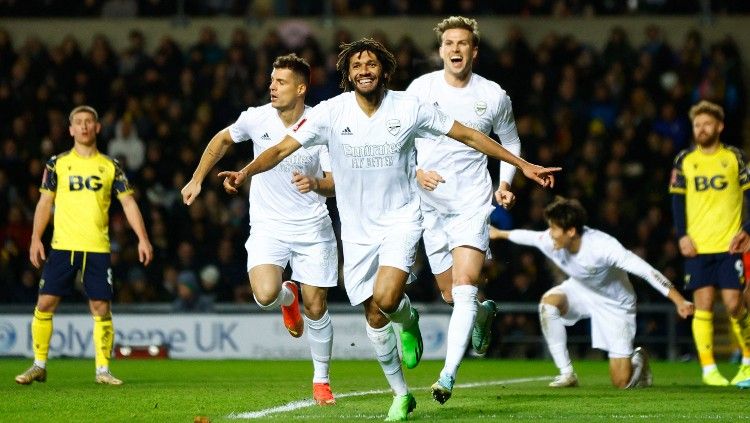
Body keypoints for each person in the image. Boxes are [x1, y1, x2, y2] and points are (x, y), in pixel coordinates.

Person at [217, 38, 559, 421]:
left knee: (385, 295)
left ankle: (407, 321)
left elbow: (467, 135)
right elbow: (280, 149)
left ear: (384, 71)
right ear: (347, 74)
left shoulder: (410, 107)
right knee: (376, 316)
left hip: (400, 219)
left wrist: (522, 165)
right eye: (357, 65)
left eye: (371, 65)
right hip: (357, 230)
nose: (364, 70)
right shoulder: (331, 112)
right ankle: (401, 393)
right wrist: (245, 171)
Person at [181, 54, 338, 405]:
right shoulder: (256, 118)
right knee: (266, 295)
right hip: (269, 227)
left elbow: (334, 183)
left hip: (312, 227)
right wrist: (197, 179)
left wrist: (315, 184)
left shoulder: (320, 123)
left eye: (281, 82)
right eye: (271, 80)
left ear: (300, 88)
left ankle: (321, 381)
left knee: (317, 307)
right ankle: (287, 298)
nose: (272, 86)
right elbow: (221, 140)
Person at [405, 16, 520, 404]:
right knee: (452, 295)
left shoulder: (494, 95)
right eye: (449, 43)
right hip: (431, 207)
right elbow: (398, 140)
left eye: (463, 43)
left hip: (472, 202)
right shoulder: (420, 90)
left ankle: (447, 376)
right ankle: (484, 314)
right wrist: (416, 172)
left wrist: (505, 184)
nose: (455, 49)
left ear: (474, 50)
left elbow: (511, 142)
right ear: (441, 51)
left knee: (465, 288)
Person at [15, 105, 154, 386]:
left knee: (101, 307)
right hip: (63, 245)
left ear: (97, 127)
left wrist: (143, 238)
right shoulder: (57, 164)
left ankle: (102, 370)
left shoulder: (110, 166)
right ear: (70, 129)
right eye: (78, 122)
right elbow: (45, 202)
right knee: (45, 302)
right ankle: (38, 365)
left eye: (89, 122)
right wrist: (34, 238)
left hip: (97, 247)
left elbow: (128, 202)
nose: (84, 127)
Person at [492, 196, 694, 389]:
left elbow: (647, 271)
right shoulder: (551, 240)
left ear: (571, 231)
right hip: (581, 289)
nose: (549, 233)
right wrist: (499, 234)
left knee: (621, 382)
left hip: (615, 303)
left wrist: (679, 301)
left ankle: (638, 360)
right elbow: (528, 236)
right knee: (548, 304)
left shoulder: (603, 247)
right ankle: (566, 373)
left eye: (554, 228)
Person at [669, 100, 750, 386]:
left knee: (734, 304)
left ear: (719, 126)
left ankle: (747, 363)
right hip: (698, 246)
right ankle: (709, 370)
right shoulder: (684, 160)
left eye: (706, 124)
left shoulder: (735, 158)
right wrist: (682, 236)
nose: (701, 129)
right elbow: (677, 201)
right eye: (697, 124)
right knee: (702, 305)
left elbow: (749, 196)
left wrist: (747, 230)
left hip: (730, 245)